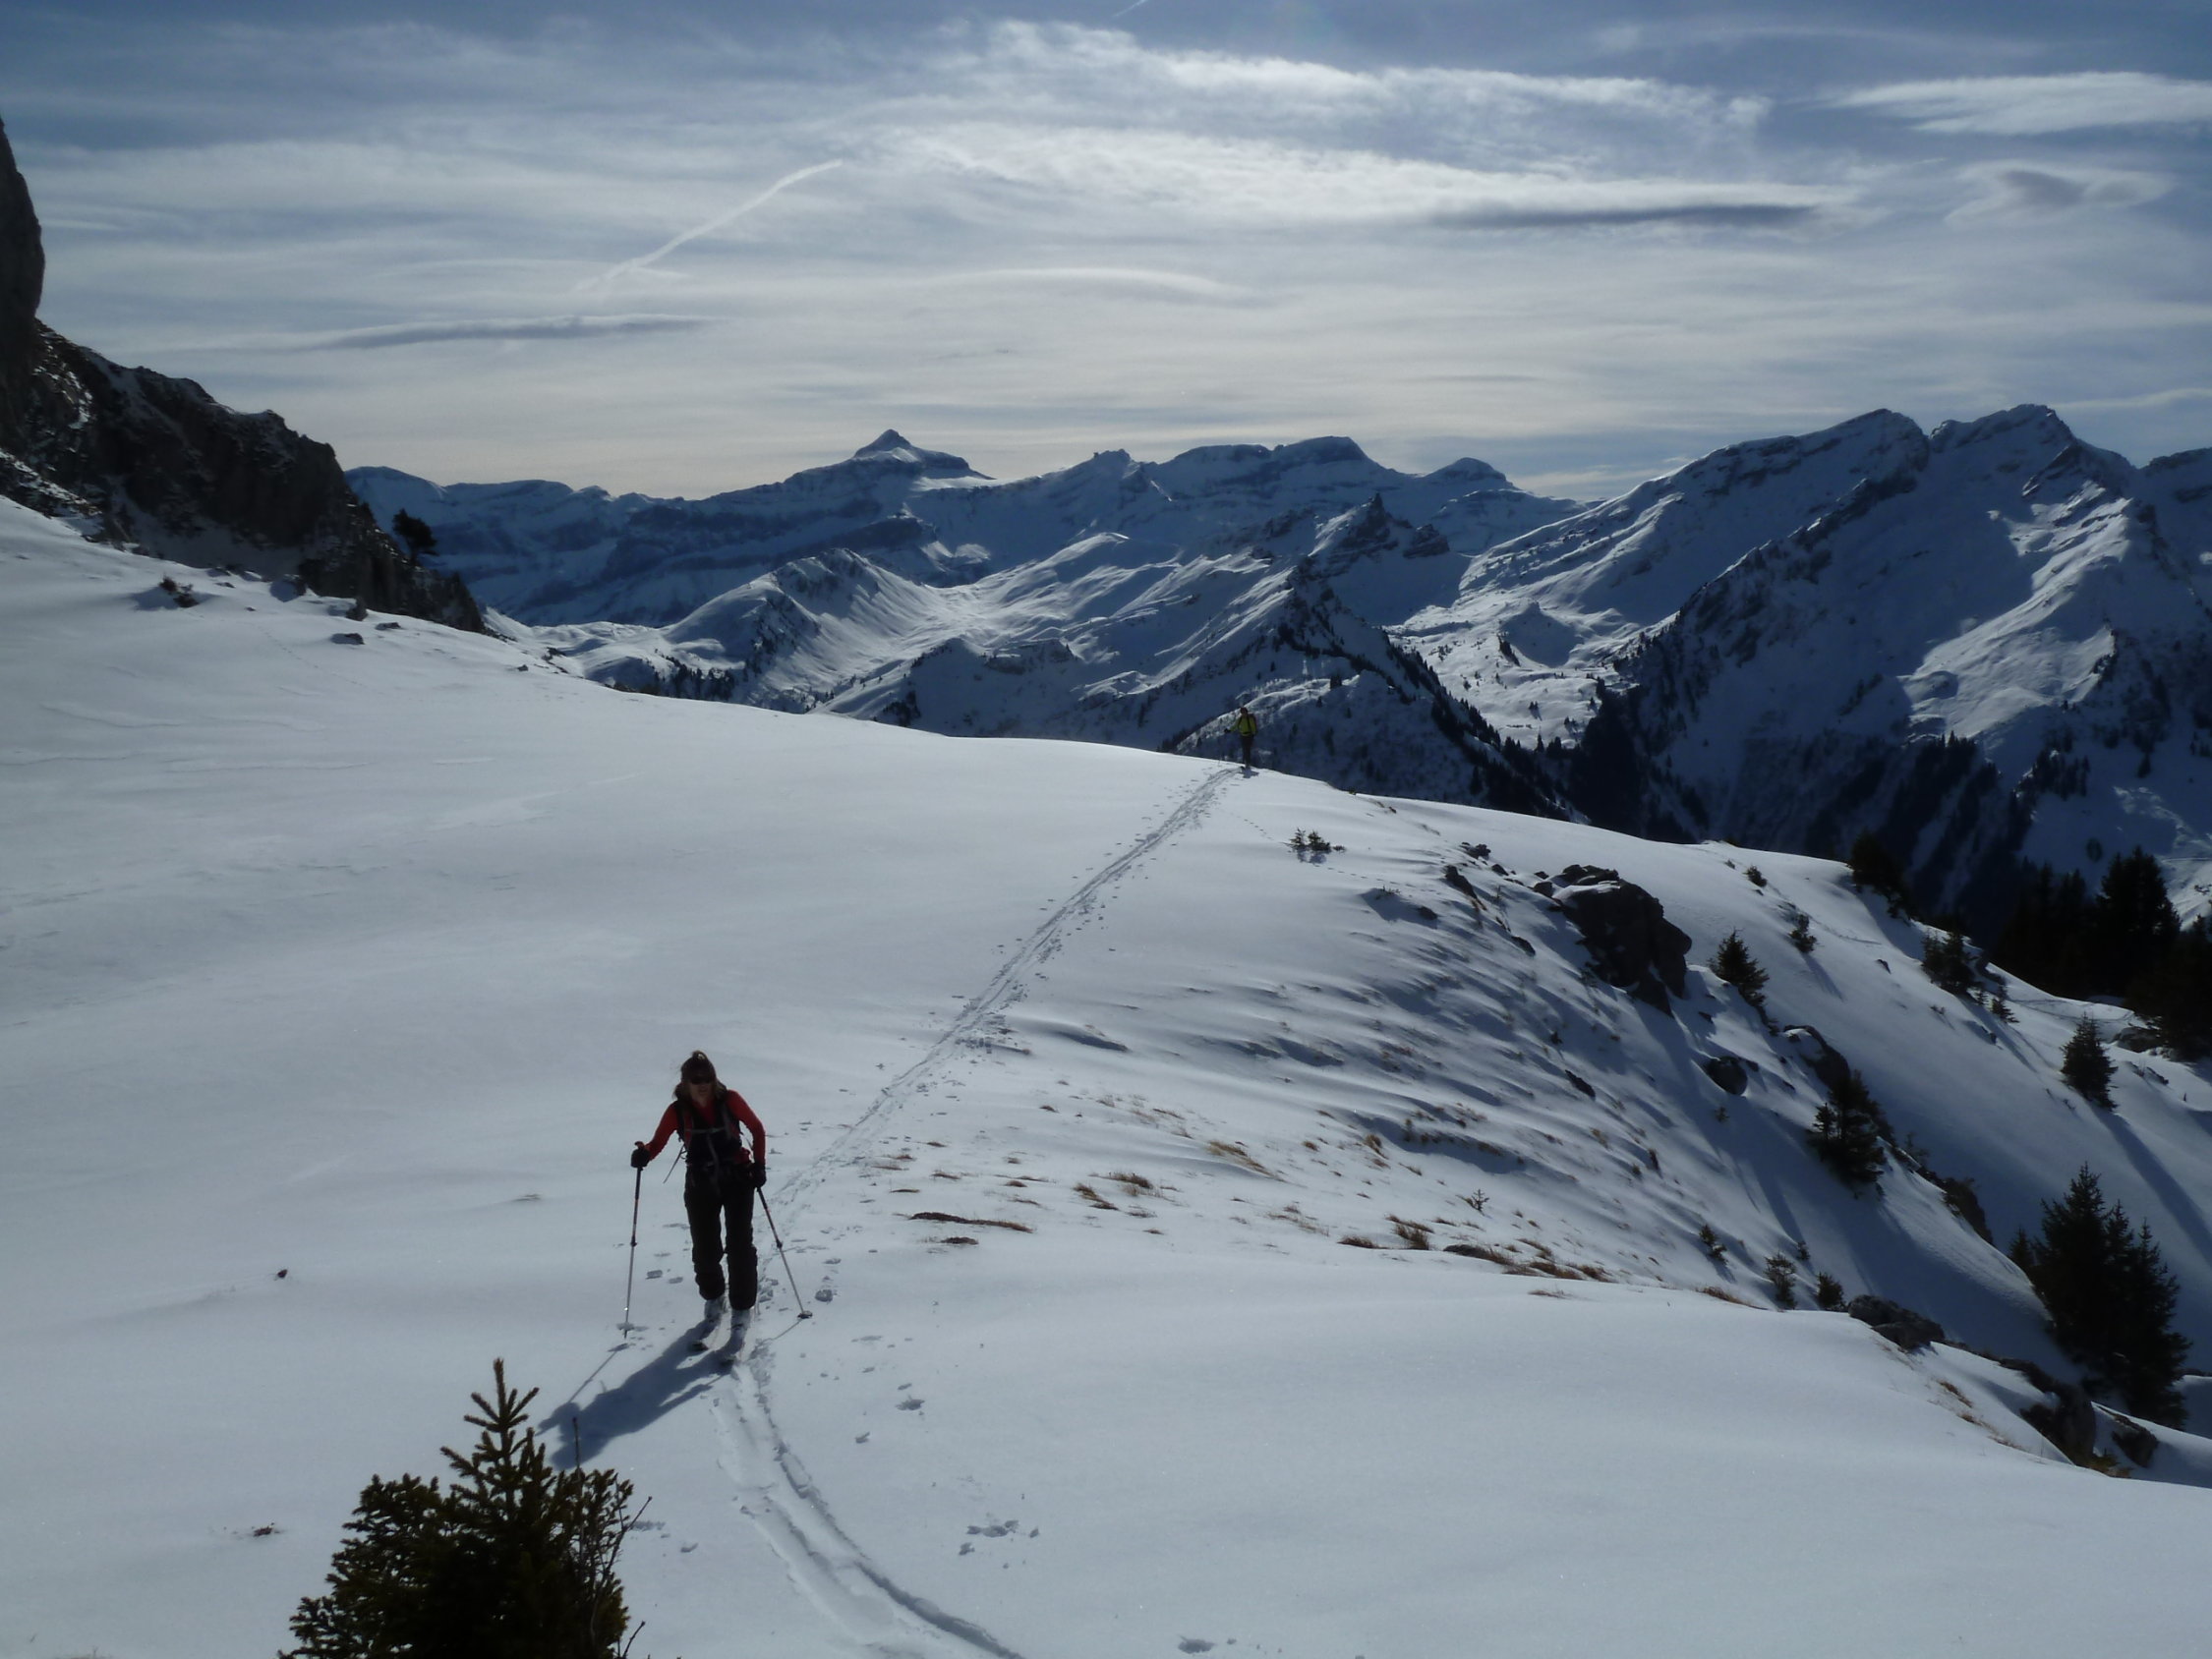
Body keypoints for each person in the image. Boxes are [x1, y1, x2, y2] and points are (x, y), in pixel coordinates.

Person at [631, 1051, 767, 1315]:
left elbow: (757, 1128)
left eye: (707, 1078)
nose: (702, 1084)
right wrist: (644, 1154)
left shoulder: (730, 1100)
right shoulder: (677, 1111)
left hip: (737, 1178)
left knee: (739, 1245)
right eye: (696, 1079)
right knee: (705, 1250)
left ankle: (742, 1307)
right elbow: (657, 1143)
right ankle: (713, 1296)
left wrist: (759, 1165)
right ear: (685, 1083)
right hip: (700, 1183)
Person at [1233, 704, 1258, 770]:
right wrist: (1229, 730)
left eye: (1244, 712)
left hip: (1249, 736)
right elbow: (1235, 726)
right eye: (1242, 712)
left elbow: (1253, 727)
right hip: (1243, 736)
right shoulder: (1240, 719)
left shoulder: (1250, 719)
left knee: (1247, 749)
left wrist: (1254, 733)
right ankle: (1247, 763)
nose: (1243, 714)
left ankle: (1247, 763)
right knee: (1245, 749)